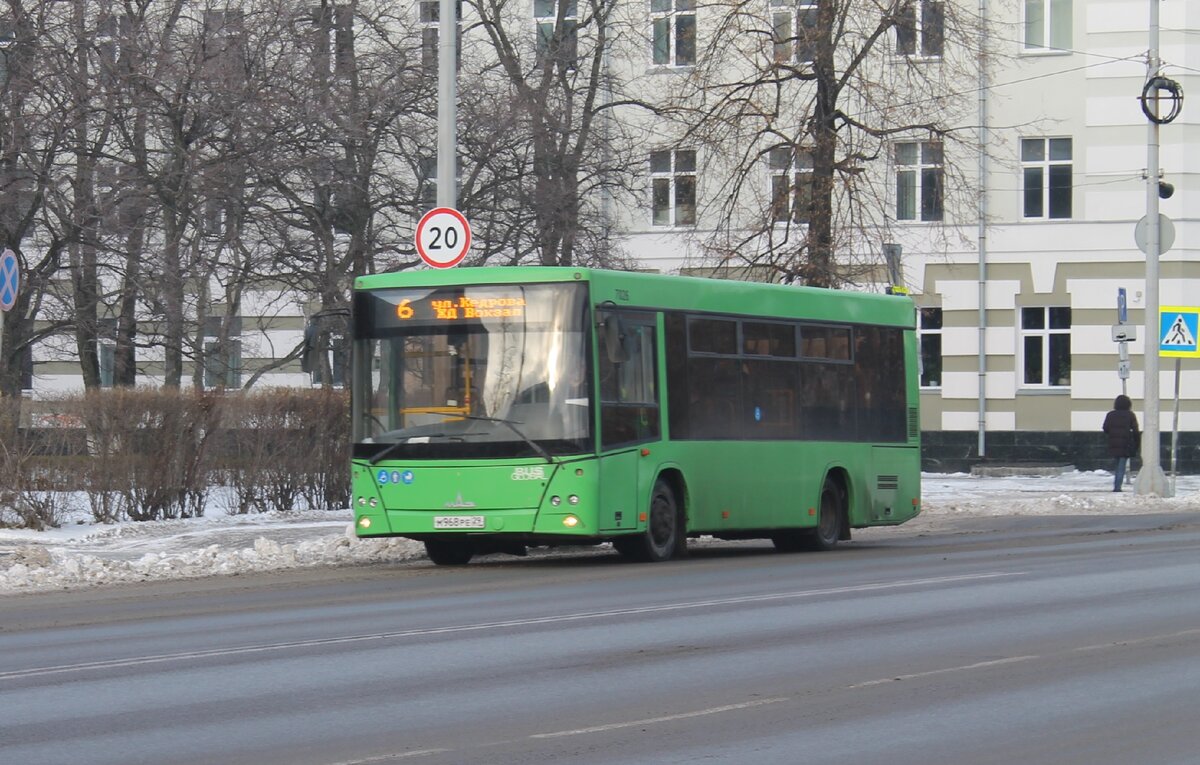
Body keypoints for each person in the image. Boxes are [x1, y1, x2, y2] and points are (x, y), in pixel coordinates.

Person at [1102, 394, 1139, 492]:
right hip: (1125, 443)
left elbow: (1105, 428)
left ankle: (1116, 485)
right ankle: (1117, 487)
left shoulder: (1110, 414)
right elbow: (1135, 430)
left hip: (1113, 442)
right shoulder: (1130, 415)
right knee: (1122, 465)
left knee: (1117, 464)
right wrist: (1137, 443)